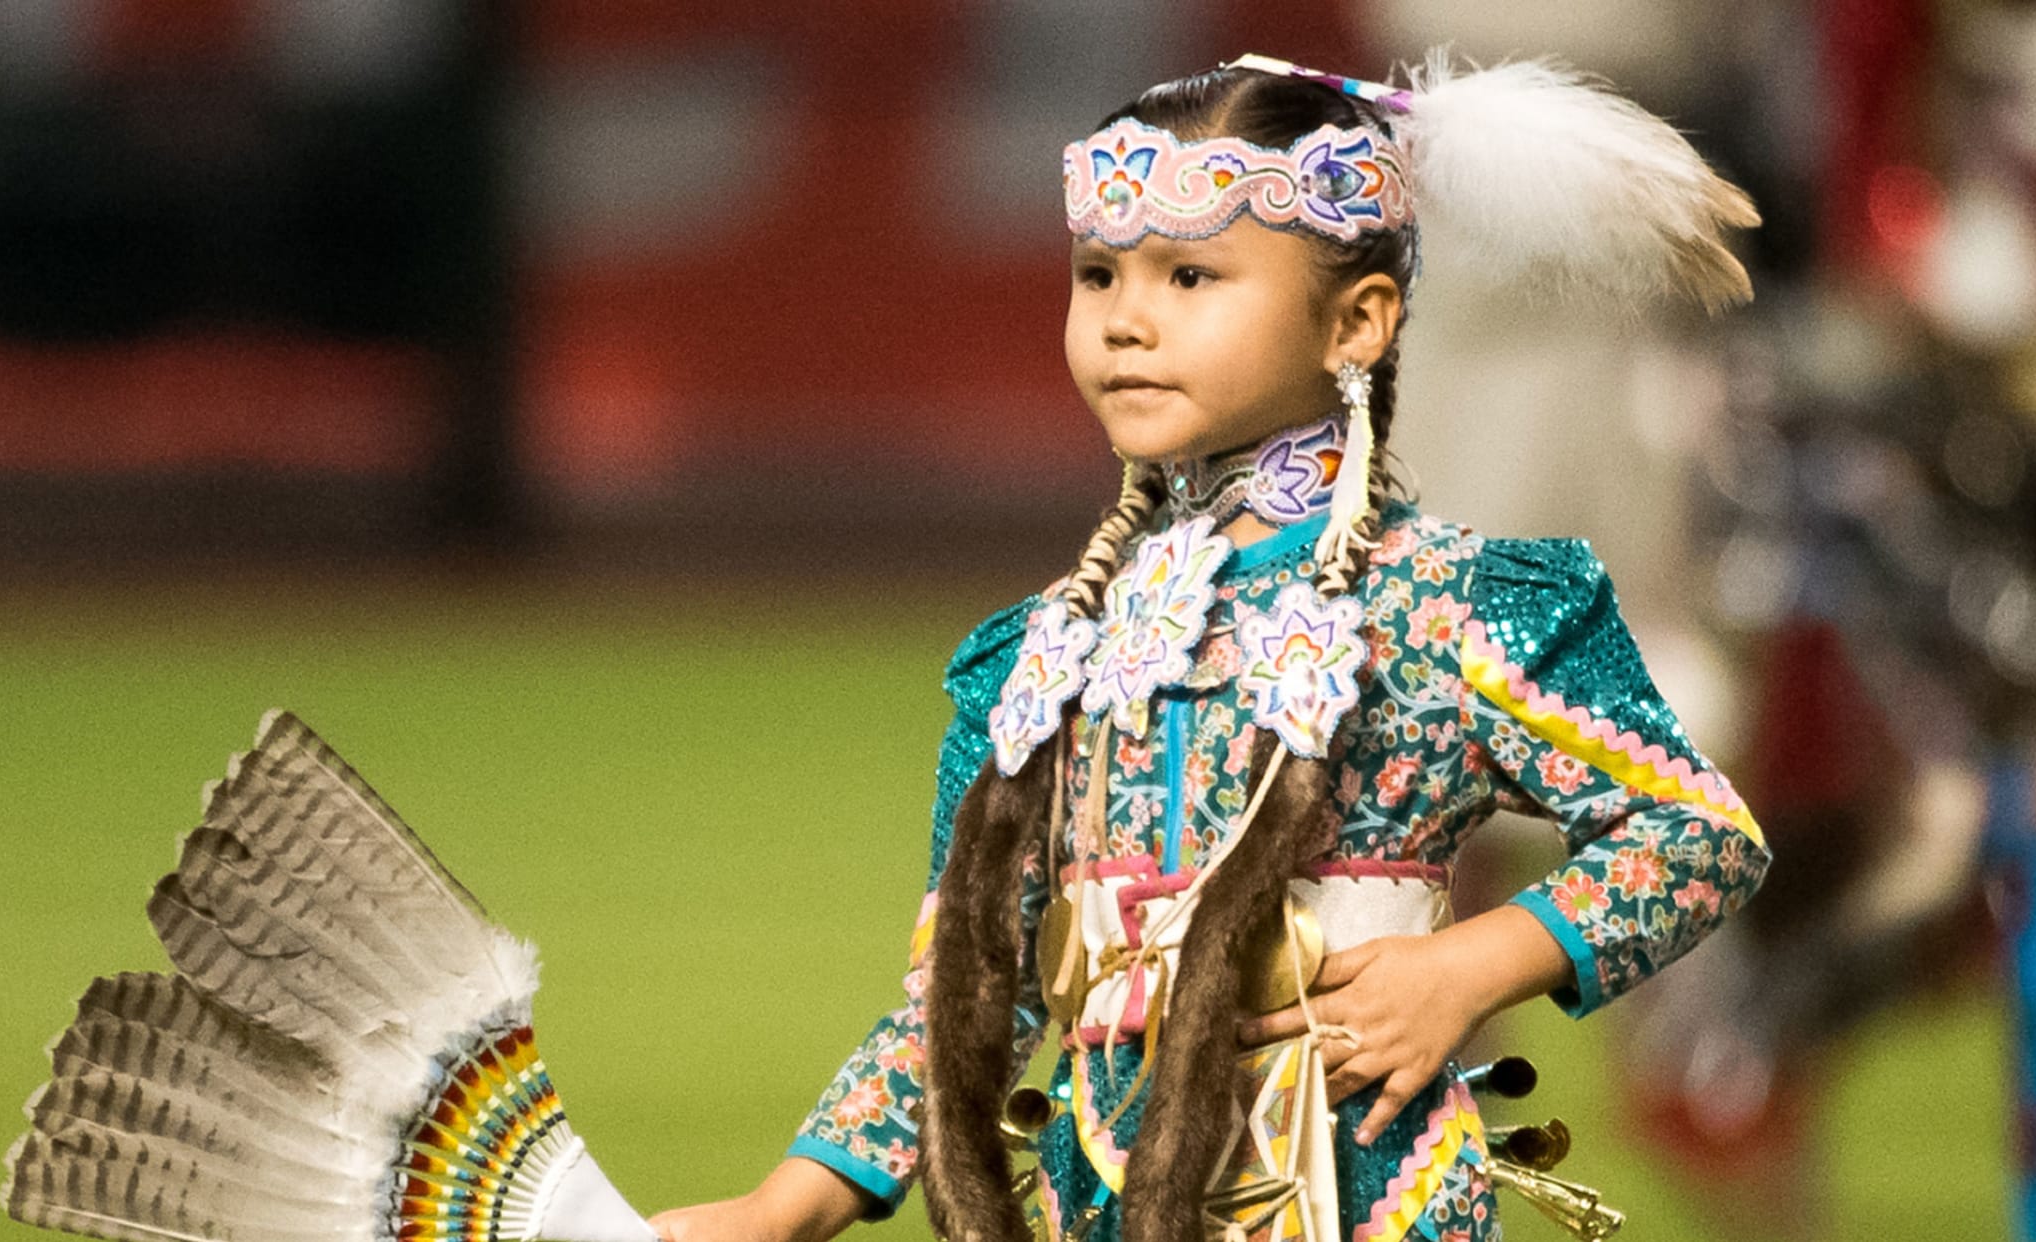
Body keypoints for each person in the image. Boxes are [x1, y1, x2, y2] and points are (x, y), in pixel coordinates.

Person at [651, 53, 1771, 1242]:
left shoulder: (1448, 607)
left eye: (1191, 275)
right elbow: (969, 999)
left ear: (1357, 320)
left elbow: (1696, 837)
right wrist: (782, 1209)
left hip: (1372, 1205)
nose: (1127, 319)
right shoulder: (1041, 658)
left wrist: (1473, 970)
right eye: (1097, 275)